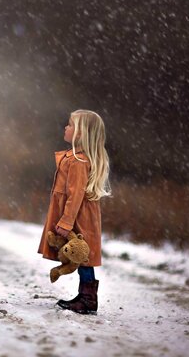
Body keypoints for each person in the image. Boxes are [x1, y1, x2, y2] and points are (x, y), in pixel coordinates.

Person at [37, 109, 111, 315]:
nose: (66, 127)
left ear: (81, 133)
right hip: (77, 213)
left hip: (79, 215)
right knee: (79, 254)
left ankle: (88, 299)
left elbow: (75, 194)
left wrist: (67, 221)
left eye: (70, 125)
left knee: (82, 254)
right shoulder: (75, 157)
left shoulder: (79, 161)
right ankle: (84, 295)